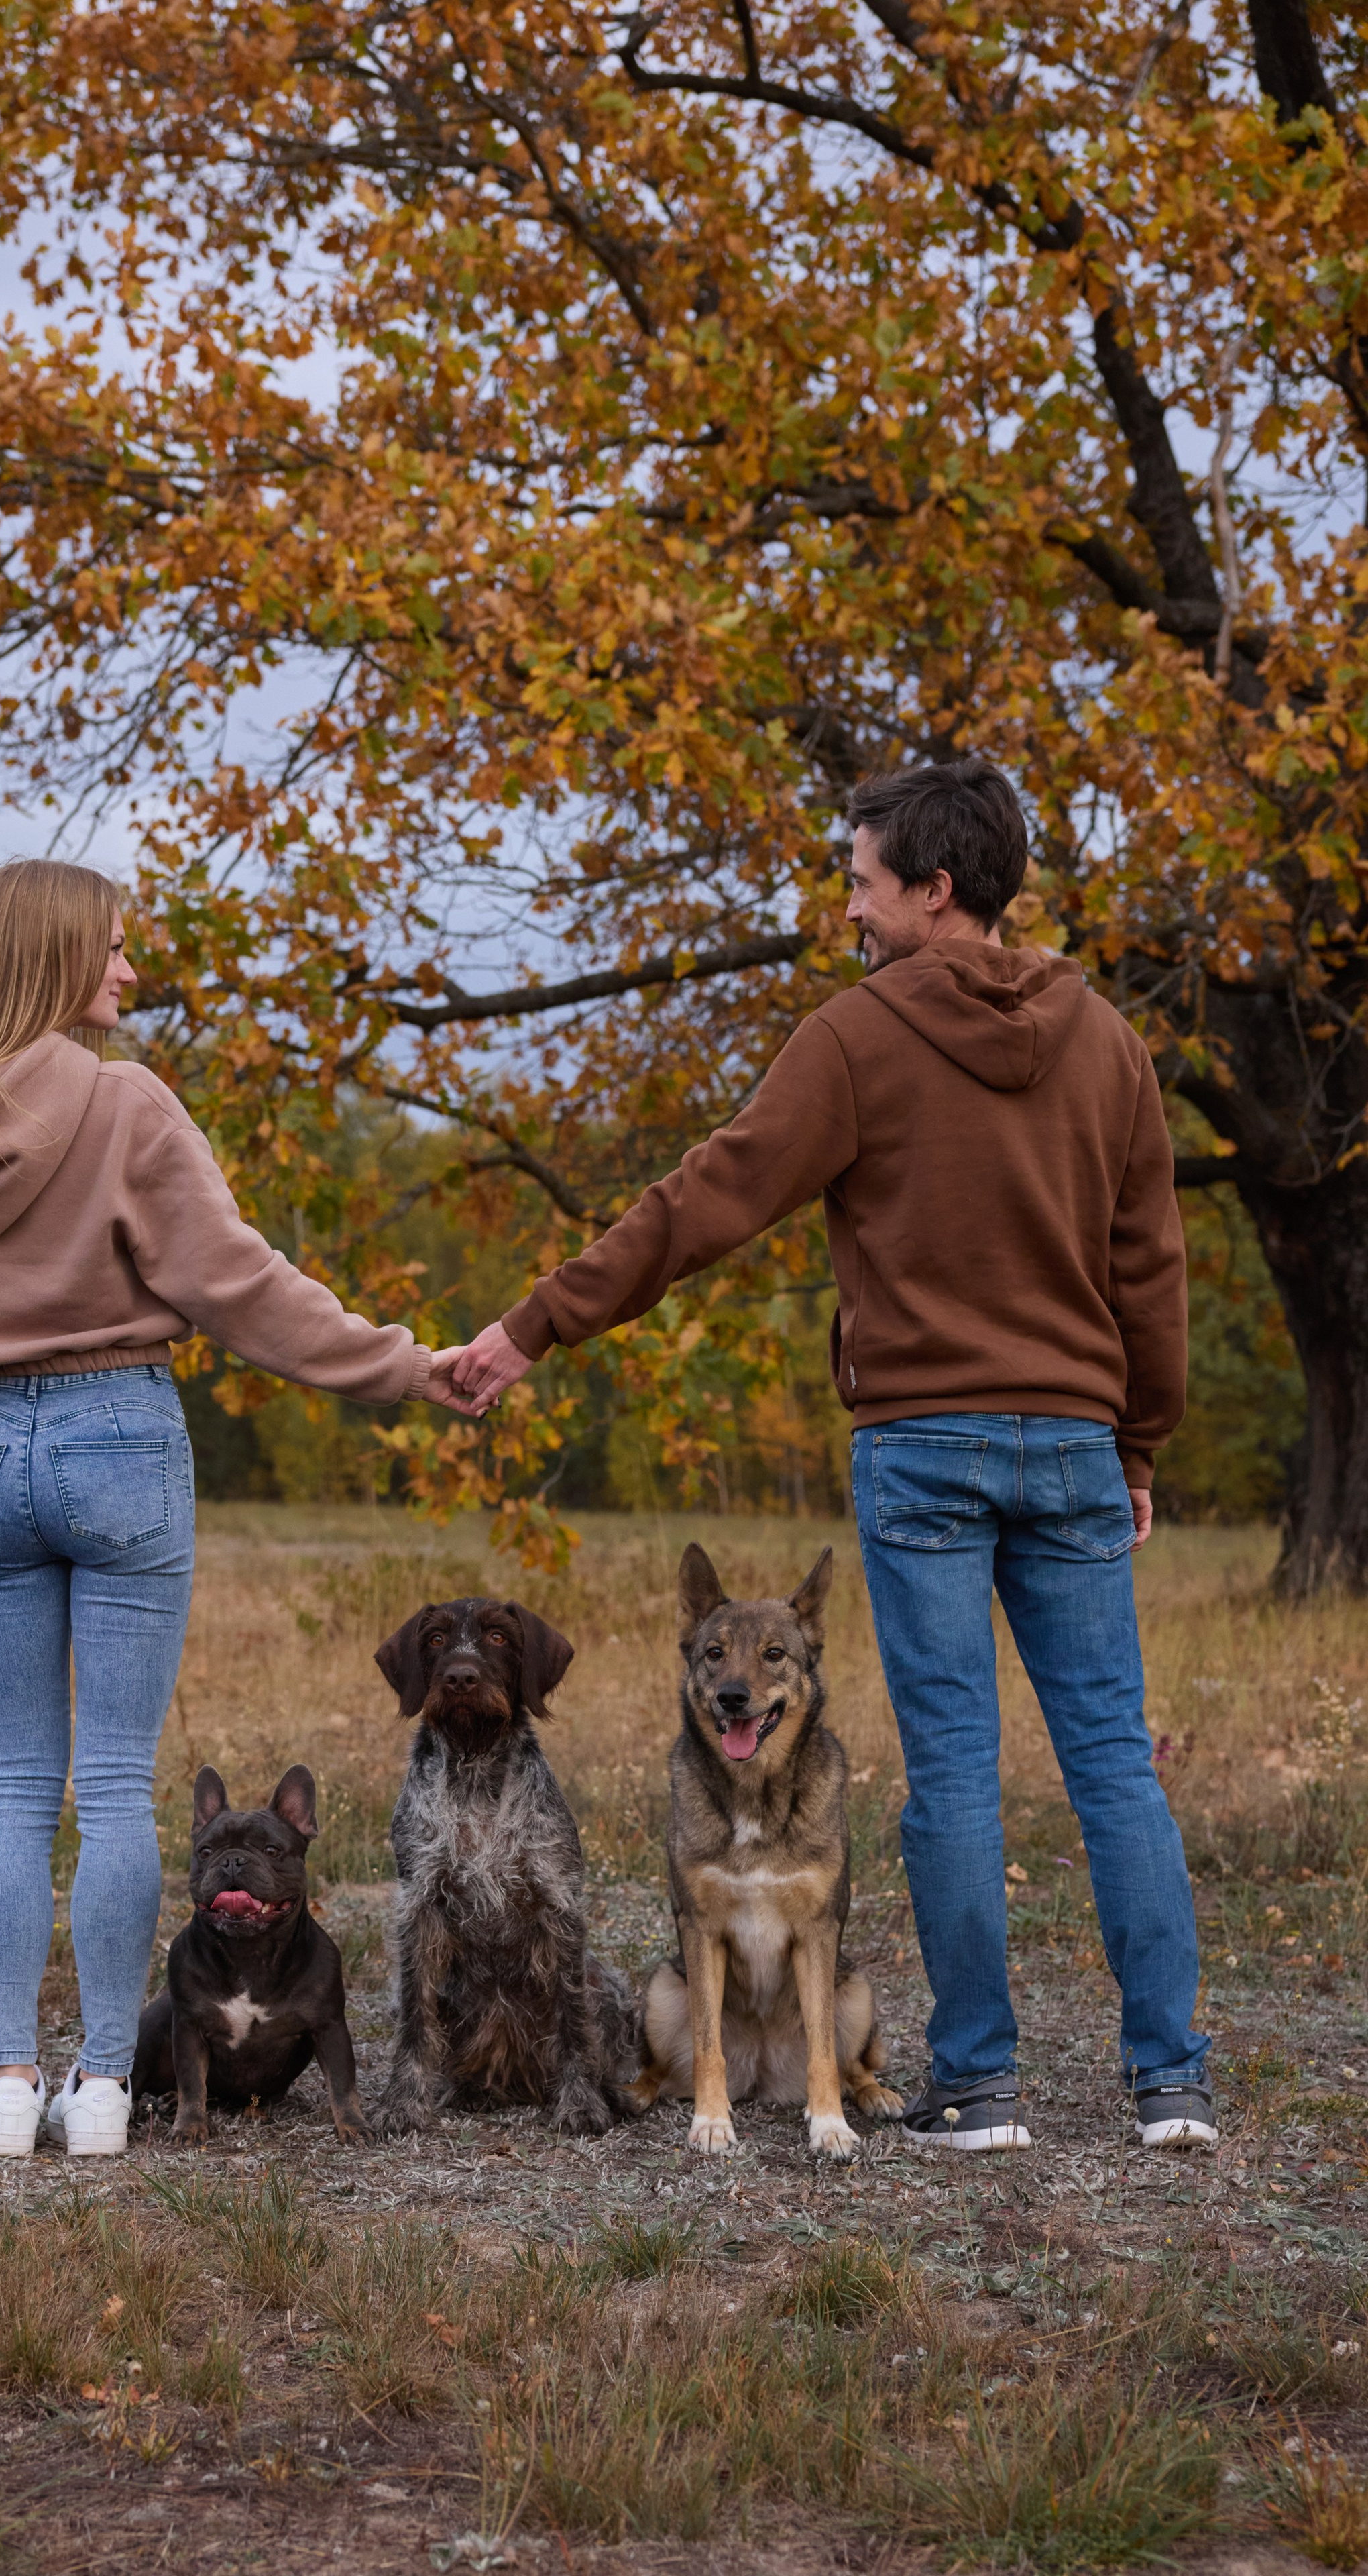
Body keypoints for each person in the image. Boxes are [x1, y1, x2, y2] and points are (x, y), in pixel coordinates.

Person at [450, 759, 1214, 2153]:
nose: (846, 911)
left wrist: (527, 1330)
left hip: (923, 1448)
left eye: (860, 883)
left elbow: (706, 1198)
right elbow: (1147, 1266)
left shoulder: (858, 1037)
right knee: (1112, 1760)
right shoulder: (1103, 1039)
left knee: (955, 1768)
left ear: (933, 891)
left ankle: (977, 2087)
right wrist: (1136, 1442)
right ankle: (1171, 2085)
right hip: (1070, 1443)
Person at [0, 860, 463, 2159]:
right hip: (117, 1434)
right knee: (116, 1784)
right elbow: (237, 1281)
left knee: (19, 1783)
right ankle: (98, 2093)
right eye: (115, 950)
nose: (131, 971)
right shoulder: (123, 1103)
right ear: (56, 956)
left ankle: (5, 2089)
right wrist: (399, 1366)